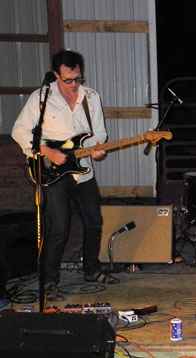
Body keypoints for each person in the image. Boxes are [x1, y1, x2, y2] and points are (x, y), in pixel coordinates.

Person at [12, 49, 119, 297]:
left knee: (94, 223)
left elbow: (99, 133)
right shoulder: (41, 97)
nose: (74, 85)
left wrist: (97, 148)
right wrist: (46, 151)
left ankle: (91, 269)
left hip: (84, 172)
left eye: (78, 78)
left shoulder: (91, 97)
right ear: (55, 75)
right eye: (68, 79)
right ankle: (49, 281)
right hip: (53, 172)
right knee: (58, 229)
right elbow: (20, 130)